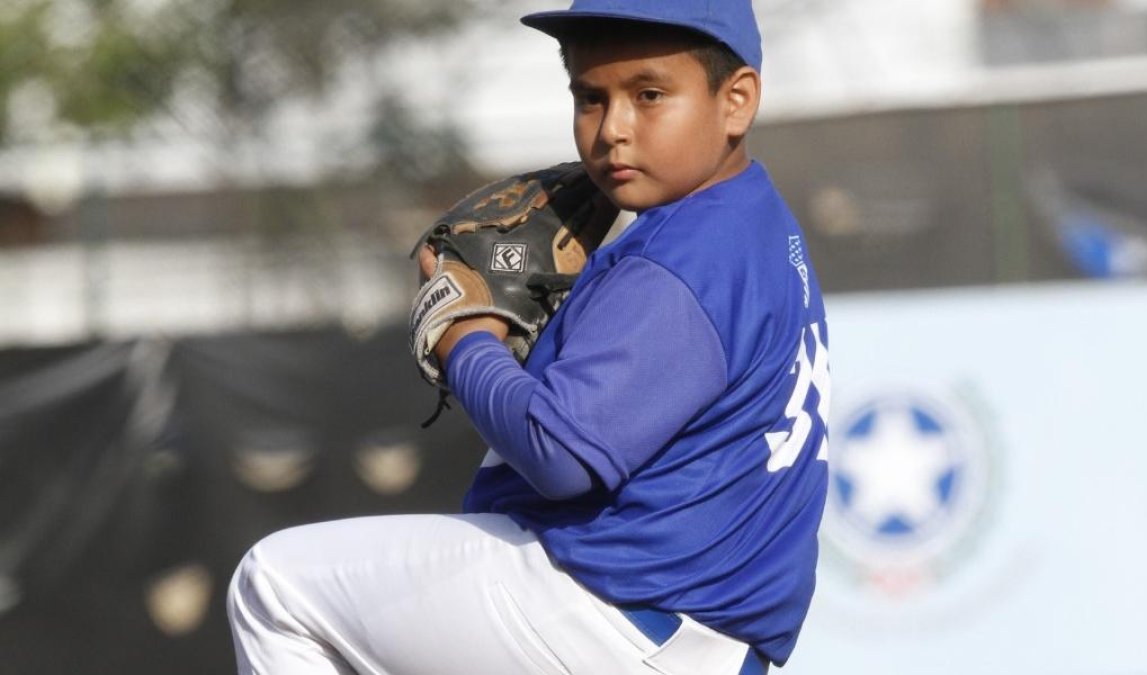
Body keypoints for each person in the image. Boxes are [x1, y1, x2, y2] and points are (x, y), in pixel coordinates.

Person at [226, 1, 831, 673]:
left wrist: (465, 339)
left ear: (736, 100)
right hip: (685, 636)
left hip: (614, 615)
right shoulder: (753, 223)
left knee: (275, 586)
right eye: (590, 98)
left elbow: (560, 452)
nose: (613, 129)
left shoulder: (685, 258)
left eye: (650, 95)